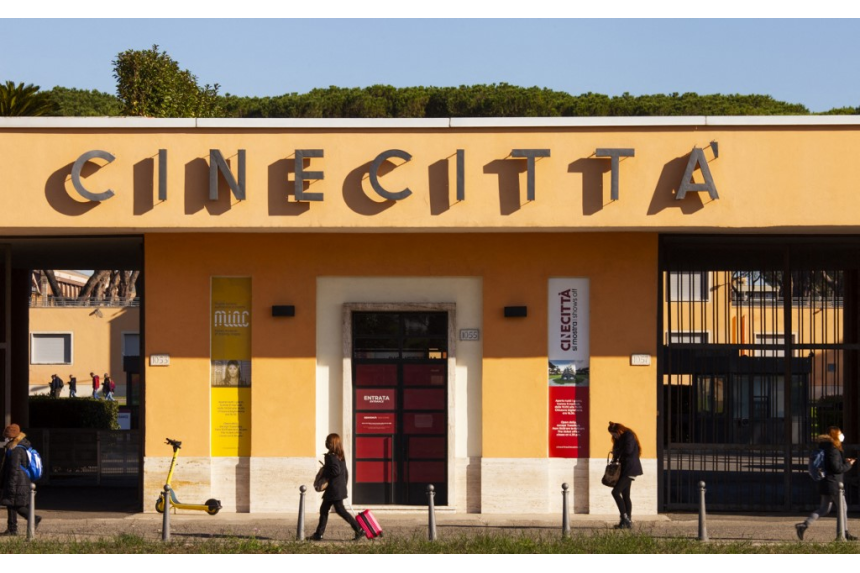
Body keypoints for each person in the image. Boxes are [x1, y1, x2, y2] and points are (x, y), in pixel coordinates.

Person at [796, 426, 857, 541]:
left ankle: (803, 525)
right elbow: (836, 468)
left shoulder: (825, 447)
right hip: (833, 483)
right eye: (839, 433)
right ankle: (842, 534)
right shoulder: (833, 449)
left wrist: (844, 461)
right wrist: (849, 465)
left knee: (824, 509)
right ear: (835, 435)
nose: (841, 435)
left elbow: (831, 464)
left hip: (826, 482)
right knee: (843, 508)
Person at [310, 433, 364, 542]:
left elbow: (335, 471)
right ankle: (318, 534)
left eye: (327, 441)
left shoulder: (331, 456)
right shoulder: (340, 456)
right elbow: (345, 473)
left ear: (331, 443)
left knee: (338, 510)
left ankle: (358, 529)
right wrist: (343, 486)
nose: (326, 443)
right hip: (338, 488)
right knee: (325, 509)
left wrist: (325, 472)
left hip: (334, 490)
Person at [0, 424, 42, 536]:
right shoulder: (18, 446)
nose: (6, 438)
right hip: (19, 480)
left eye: (7, 436)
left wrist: (11, 484)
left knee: (17, 505)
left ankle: (33, 518)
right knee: (10, 504)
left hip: (17, 481)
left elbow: (14, 469)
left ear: (11, 436)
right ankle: (12, 529)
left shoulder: (16, 449)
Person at [608, 421, 643, 530]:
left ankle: (625, 518)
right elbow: (619, 452)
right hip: (623, 469)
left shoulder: (628, 435)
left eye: (614, 434)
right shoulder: (619, 439)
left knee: (615, 492)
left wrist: (617, 452)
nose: (613, 436)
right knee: (625, 495)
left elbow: (628, 450)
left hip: (630, 469)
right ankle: (627, 522)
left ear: (618, 431)